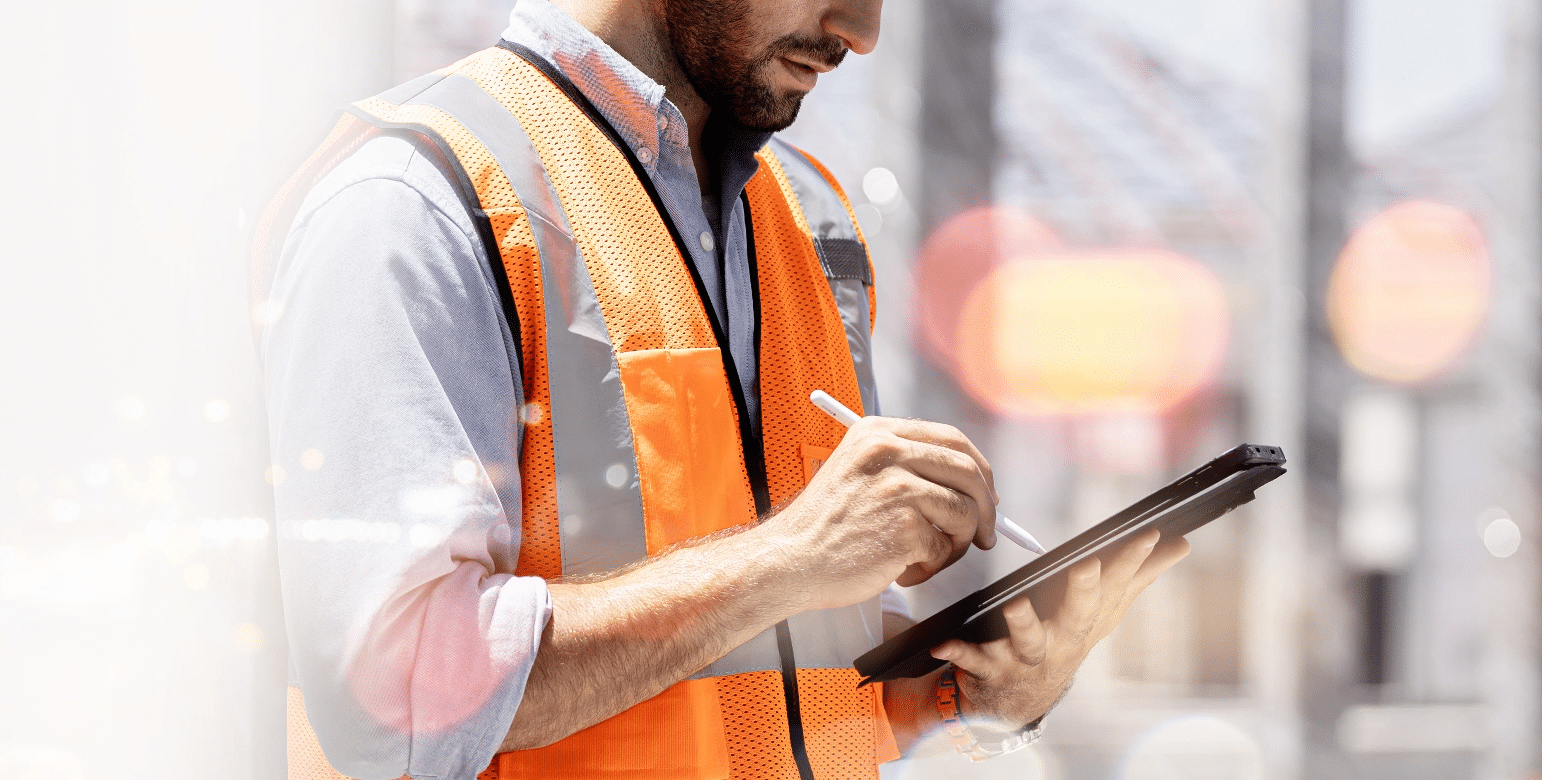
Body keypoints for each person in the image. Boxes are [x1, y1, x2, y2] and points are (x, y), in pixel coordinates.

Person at [255, 0, 1191, 777]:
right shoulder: (415, 204)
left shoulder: (807, 217)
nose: (860, 30)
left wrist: (968, 696)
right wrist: (785, 561)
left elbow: (777, 696)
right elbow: (393, 699)